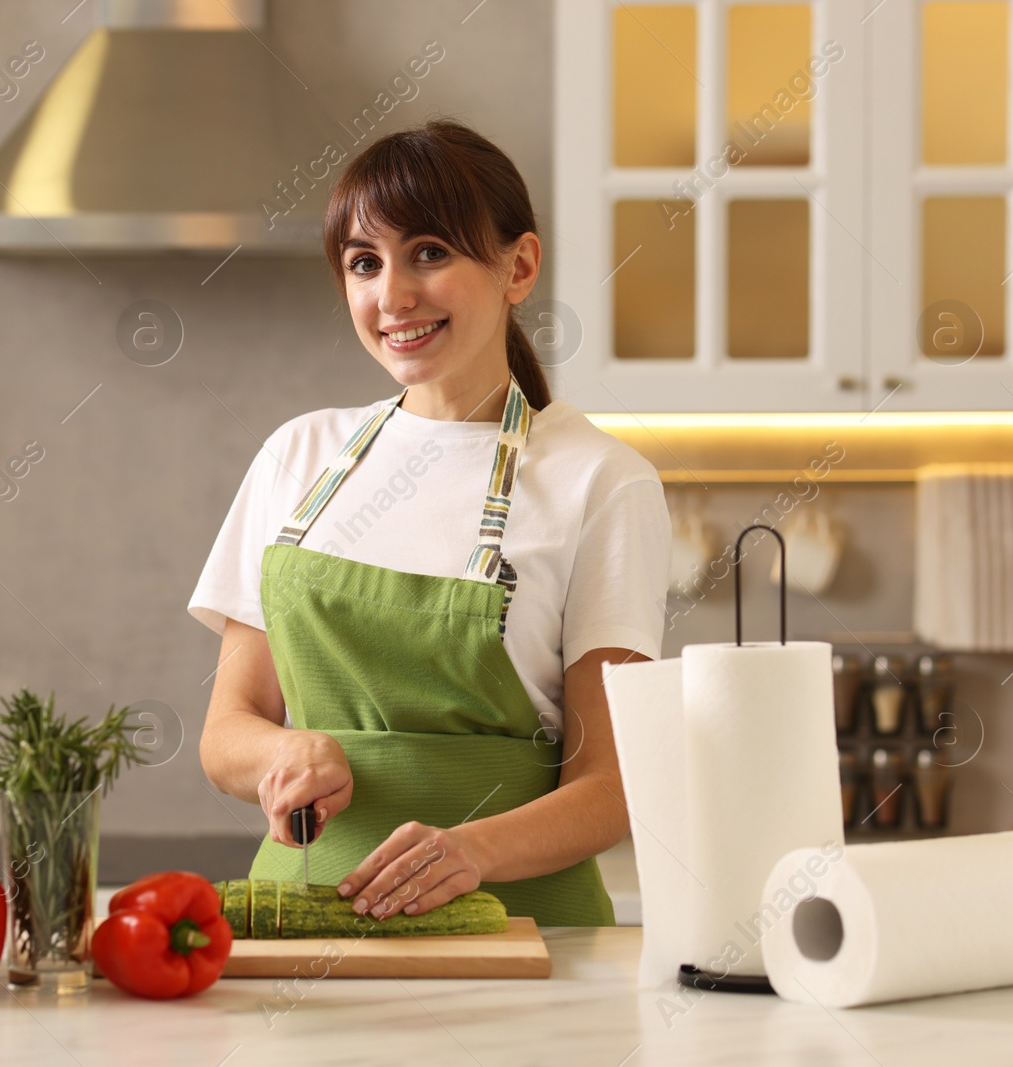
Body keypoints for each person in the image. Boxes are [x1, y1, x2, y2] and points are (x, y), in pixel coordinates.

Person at [189, 118, 670, 927]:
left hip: (521, 933)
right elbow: (224, 733)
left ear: (519, 266)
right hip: (298, 923)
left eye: (431, 253)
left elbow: (613, 787)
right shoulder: (296, 456)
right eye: (365, 264)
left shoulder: (602, 480)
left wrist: (471, 852)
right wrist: (283, 752)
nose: (394, 296)